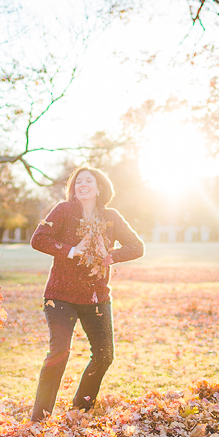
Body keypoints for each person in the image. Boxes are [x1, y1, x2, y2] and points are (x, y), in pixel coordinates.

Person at [29, 165, 145, 422]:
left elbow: (137, 246)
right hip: (60, 296)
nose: (82, 184)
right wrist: (70, 250)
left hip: (97, 297)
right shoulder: (63, 210)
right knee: (59, 352)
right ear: (73, 187)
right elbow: (39, 239)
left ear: (99, 187)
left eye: (88, 181)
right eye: (78, 180)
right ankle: (39, 418)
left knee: (105, 355)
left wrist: (110, 256)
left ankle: (80, 410)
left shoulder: (111, 216)